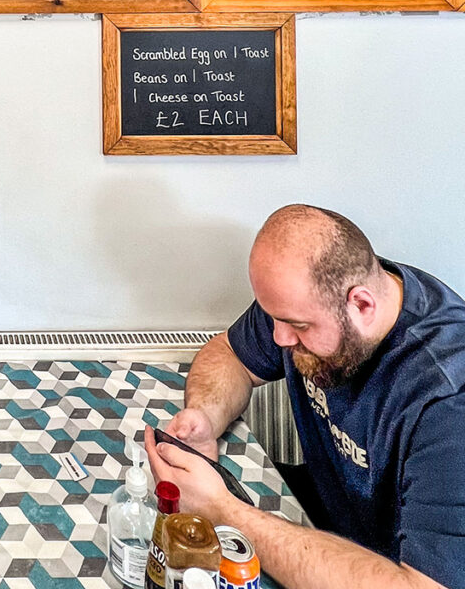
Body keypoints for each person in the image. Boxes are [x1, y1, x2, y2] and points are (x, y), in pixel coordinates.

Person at [144, 204, 465, 589]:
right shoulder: (311, 297)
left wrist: (223, 509)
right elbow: (229, 353)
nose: (279, 339)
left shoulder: (448, 404)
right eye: (275, 319)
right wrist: (206, 415)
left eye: (297, 326)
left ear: (362, 305)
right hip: (326, 526)